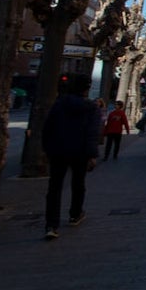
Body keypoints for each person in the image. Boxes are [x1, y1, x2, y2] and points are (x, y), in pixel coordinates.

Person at [42, 73, 100, 240]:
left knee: (54, 187)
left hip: (58, 150)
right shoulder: (91, 108)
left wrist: (47, 149)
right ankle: (75, 214)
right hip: (80, 152)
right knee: (78, 183)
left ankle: (51, 225)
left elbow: (47, 128)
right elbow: (92, 134)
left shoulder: (59, 104)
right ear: (86, 89)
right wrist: (92, 155)